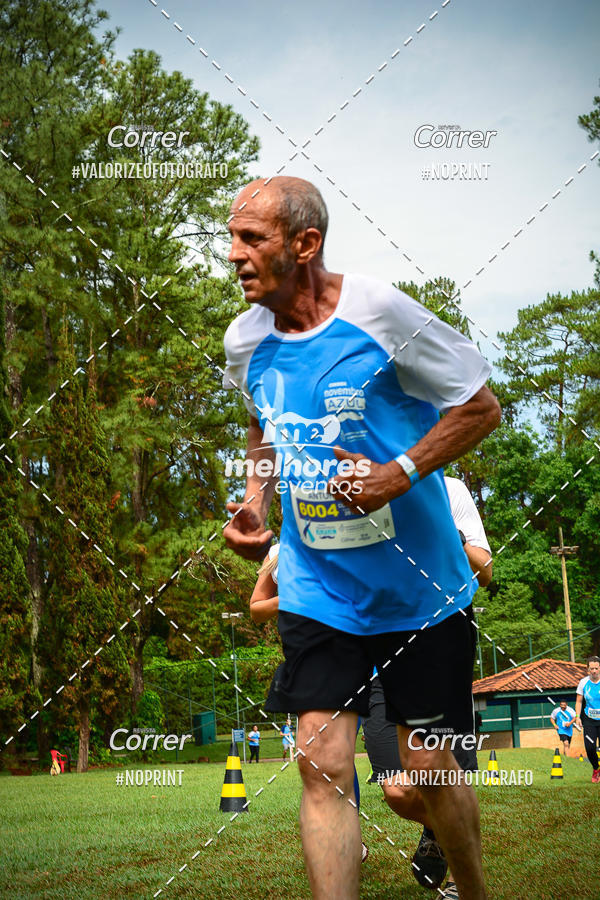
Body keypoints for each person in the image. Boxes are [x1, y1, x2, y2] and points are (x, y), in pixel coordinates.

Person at [222, 175, 501, 900]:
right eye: (232, 238)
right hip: (319, 589)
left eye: (251, 239)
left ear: (304, 244)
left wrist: (396, 474)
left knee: (430, 773)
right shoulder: (245, 339)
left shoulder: (379, 312)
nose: (233, 255)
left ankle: (472, 890)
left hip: (420, 590)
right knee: (321, 762)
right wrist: (257, 499)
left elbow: (479, 407)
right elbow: (261, 425)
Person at [363, 475, 492, 898]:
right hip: (376, 646)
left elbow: (485, 570)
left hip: (437, 636)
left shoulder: (451, 489)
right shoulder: (360, 486)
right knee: (397, 789)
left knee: (437, 769)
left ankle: (460, 885)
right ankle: (437, 827)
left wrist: (448, 536)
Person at [250, 542, 369, 864]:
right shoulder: (277, 552)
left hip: (363, 652)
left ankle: (432, 825)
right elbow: (256, 608)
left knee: (401, 779)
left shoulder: (346, 536)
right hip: (313, 665)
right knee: (330, 752)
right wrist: (287, 599)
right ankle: (349, 837)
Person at [575, 656, 600, 782]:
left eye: (596, 668)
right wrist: (577, 717)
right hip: (589, 720)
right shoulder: (583, 682)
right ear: (587, 670)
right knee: (590, 748)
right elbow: (579, 702)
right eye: (592, 669)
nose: (594, 671)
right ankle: (596, 768)